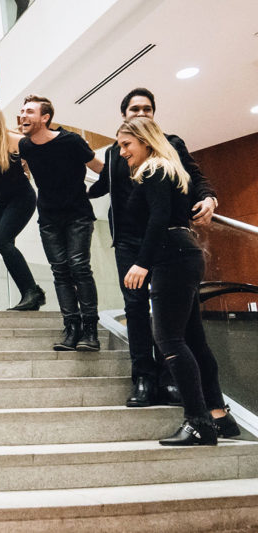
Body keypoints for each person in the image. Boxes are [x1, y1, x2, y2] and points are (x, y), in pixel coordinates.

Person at [89, 87, 218, 407]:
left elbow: (194, 178)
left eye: (147, 109)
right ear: (124, 115)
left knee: (171, 315)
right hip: (128, 241)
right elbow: (103, 185)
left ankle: (170, 379)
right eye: (135, 109)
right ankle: (144, 378)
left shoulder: (169, 145)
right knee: (134, 307)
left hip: (164, 240)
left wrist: (209, 198)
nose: (142, 113)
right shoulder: (116, 152)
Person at [116, 117, 239, 445]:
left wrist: (141, 263)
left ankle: (197, 421)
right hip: (184, 253)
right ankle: (218, 417)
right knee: (193, 340)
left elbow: (158, 219)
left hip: (171, 256)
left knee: (169, 340)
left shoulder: (154, 169)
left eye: (127, 144)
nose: (122, 151)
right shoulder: (169, 169)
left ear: (145, 141)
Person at [18, 94, 103, 351]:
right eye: (22, 111)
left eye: (29, 111)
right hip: (48, 218)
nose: (22, 115)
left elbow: (101, 169)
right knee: (60, 271)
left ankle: (90, 330)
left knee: (79, 267)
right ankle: (72, 328)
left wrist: (94, 192)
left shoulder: (71, 141)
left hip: (78, 215)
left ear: (45, 117)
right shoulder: (25, 146)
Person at [0, 104, 45, 311]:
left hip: (22, 199)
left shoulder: (14, 141)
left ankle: (32, 292)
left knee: (1, 240)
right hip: (2, 201)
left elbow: (43, 157)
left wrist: (28, 167)